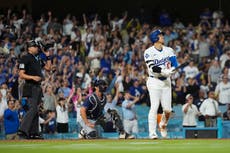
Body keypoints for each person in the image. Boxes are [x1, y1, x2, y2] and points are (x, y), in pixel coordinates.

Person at [144, 29, 178, 139]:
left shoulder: (169, 50)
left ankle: (163, 125)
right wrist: (164, 71)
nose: (162, 36)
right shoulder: (148, 52)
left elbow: (174, 63)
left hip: (166, 82)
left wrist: (172, 70)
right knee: (154, 107)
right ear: (155, 38)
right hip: (154, 81)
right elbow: (152, 67)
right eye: (160, 35)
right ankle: (152, 133)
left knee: (168, 110)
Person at [17, 40, 52, 139]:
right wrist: (32, 77)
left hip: (37, 87)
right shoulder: (25, 58)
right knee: (32, 108)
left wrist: (48, 56)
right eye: (35, 46)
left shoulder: (38, 58)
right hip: (30, 85)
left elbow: (48, 68)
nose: (37, 48)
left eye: (37, 46)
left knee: (36, 110)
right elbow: (21, 74)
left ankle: (34, 133)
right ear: (29, 48)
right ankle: (22, 130)